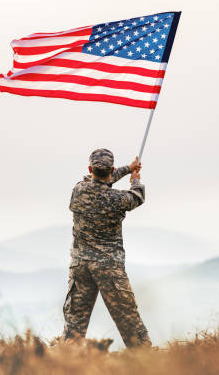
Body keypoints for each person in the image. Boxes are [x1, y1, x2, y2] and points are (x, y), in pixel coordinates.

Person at [62, 148, 151, 347]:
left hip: (80, 266)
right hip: (109, 268)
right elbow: (137, 196)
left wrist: (128, 169)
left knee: (74, 323)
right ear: (111, 169)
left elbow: (102, 180)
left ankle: (66, 362)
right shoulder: (117, 199)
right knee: (128, 320)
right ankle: (146, 361)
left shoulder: (79, 190)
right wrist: (134, 177)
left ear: (89, 169)